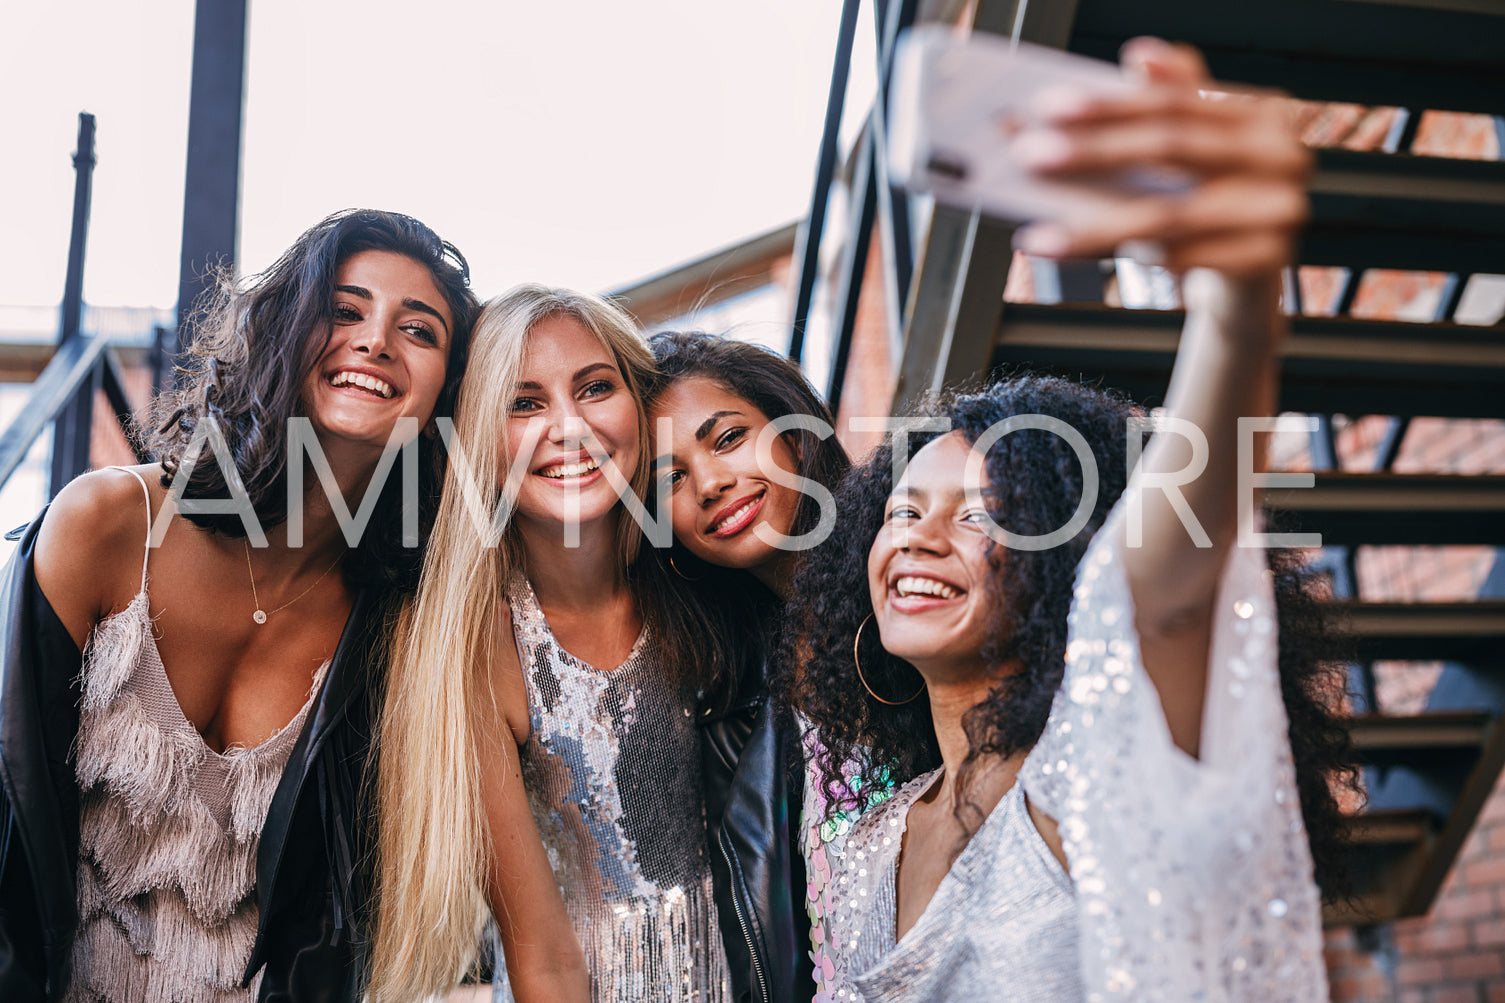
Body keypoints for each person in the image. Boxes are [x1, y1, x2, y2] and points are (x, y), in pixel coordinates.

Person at [776, 39, 1354, 1001]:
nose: (917, 535)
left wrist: (1234, 305)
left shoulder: (1093, 768)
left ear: (1065, 569)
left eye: (983, 516)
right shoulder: (869, 839)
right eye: (904, 509)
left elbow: (1160, 587)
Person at [0, 209, 478, 1001]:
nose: (376, 340)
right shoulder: (110, 525)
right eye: (345, 309)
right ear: (286, 330)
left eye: (419, 331)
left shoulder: (398, 629)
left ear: (447, 391)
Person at [368, 286, 741, 1003]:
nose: (568, 426)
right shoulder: (474, 647)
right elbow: (542, 957)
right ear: (477, 436)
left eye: (594, 387)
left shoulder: (703, 579)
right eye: (523, 402)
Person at [646, 332, 852, 1002]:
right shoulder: (732, 695)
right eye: (669, 478)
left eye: (728, 438)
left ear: (795, 433)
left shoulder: (911, 578)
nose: (709, 484)